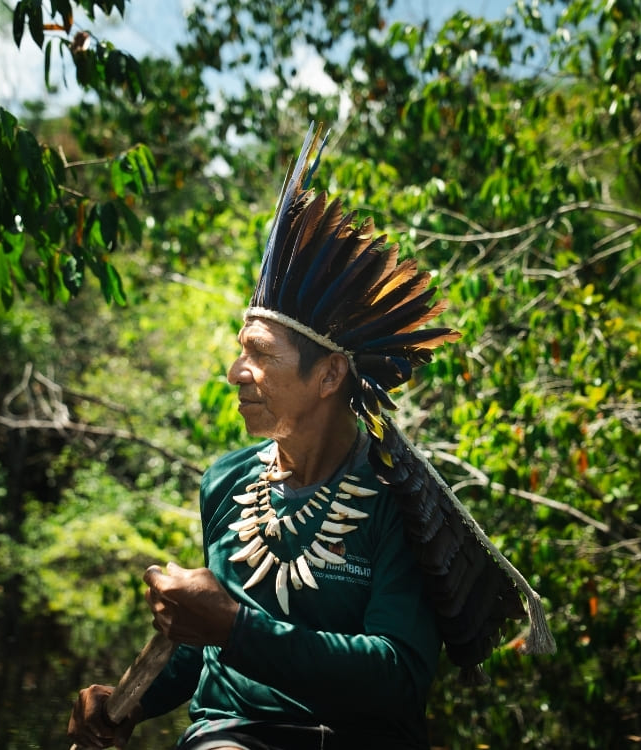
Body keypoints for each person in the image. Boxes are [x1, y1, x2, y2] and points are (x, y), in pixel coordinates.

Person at [68, 124, 552, 750]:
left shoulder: (396, 499)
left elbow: (399, 678)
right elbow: (204, 655)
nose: (236, 373)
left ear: (328, 374)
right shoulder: (226, 482)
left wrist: (237, 627)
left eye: (260, 355)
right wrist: (129, 701)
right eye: (240, 352)